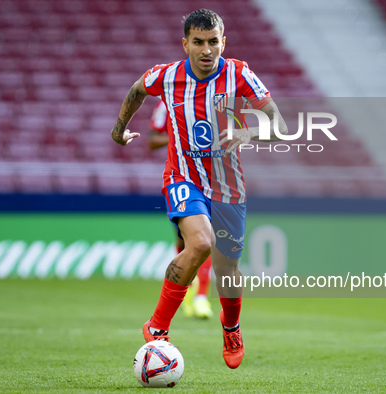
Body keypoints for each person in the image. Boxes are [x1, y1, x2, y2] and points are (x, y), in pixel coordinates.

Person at [111, 8, 287, 369]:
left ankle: (231, 327)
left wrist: (247, 132)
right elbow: (136, 90)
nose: (206, 50)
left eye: (213, 42)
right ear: (185, 44)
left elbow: (276, 120)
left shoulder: (239, 73)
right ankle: (157, 325)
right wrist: (119, 129)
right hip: (183, 179)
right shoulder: (168, 76)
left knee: (227, 270)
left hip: (228, 187)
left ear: (223, 42)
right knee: (201, 243)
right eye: (198, 42)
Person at [148, 101, 214, 319]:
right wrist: (181, 137)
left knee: (207, 238)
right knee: (185, 239)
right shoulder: (167, 102)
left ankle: (201, 296)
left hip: (213, 181)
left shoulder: (215, 97)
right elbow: (152, 141)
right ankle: (187, 288)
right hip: (181, 181)